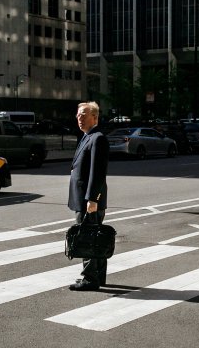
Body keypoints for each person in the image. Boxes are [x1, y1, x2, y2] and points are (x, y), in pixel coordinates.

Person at [68, 101, 109, 291]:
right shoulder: (87, 137)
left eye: (84, 114)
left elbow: (98, 172)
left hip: (89, 201)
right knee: (96, 237)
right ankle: (98, 277)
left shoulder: (97, 138)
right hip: (84, 199)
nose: (79, 118)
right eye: (78, 115)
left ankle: (90, 279)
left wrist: (93, 199)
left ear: (95, 117)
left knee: (88, 238)